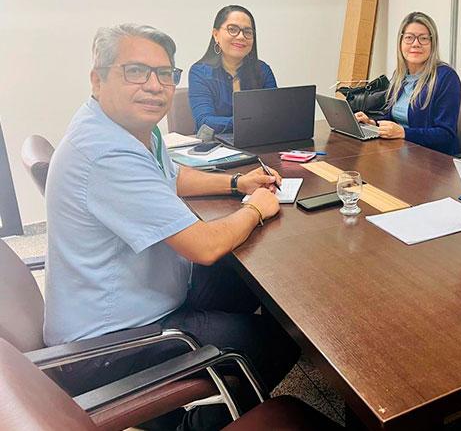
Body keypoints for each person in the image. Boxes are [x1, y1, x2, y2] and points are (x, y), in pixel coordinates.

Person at [44, 24, 299, 429]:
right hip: (111, 342)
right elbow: (203, 246)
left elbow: (172, 177)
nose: (154, 85)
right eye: (136, 71)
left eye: (165, 74)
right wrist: (255, 208)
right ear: (97, 79)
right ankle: (193, 423)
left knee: (245, 276)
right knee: (285, 336)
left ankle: (217, 369)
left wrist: (237, 183)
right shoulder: (104, 152)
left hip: (148, 292)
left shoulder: (130, 128)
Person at [355, 11, 461, 155]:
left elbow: (446, 134)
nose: (416, 44)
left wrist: (404, 133)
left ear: (432, 44)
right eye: (409, 38)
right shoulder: (400, 75)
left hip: (431, 159)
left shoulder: (446, 78)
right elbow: (393, 119)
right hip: (399, 152)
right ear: (400, 42)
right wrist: (373, 124)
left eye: (423, 38)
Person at [189, 5, 277, 133]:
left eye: (247, 32)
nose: (241, 36)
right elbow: (204, 121)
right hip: (216, 143)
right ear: (216, 35)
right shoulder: (200, 72)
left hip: (259, 140)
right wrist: (248, 121)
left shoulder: (263, 70)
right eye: (232, 29)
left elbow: (275, 114)